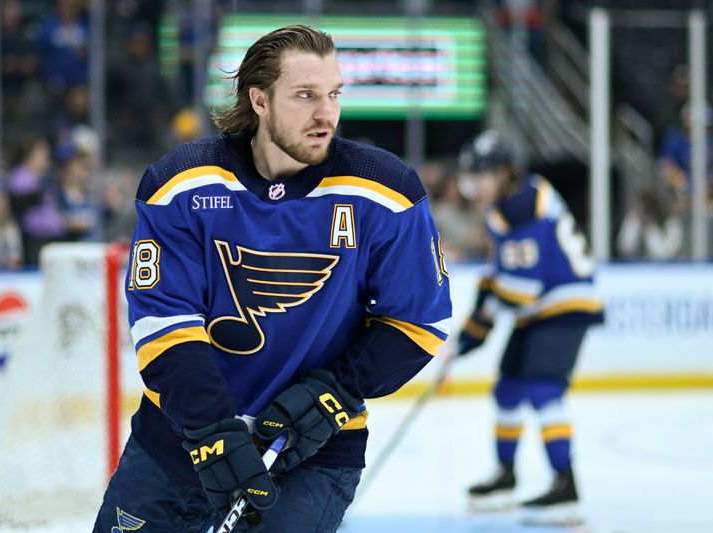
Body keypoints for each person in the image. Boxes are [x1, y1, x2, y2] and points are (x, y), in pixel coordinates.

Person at [94, 25, 452, 532]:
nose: (326, 113)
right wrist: (212, 426)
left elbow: (418, 321)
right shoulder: (181, 185)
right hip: (178, 442)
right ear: (259, 100)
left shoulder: (386, 192)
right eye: (305, 95)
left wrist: (335, 390)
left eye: (333, 94)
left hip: (311, 452)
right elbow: (164, 321)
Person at [453, 130, 603, 525]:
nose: (474, 182)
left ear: (504, 173)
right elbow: (500, 279)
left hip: (565, 303)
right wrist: (473, 328)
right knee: (508, 389)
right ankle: (505, 475)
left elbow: (519, 290)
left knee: (542, 388)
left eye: (481, 173)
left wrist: (473, 332)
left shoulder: (524, 206)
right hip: (537, 310)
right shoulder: (507, 206)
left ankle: (565, 485)